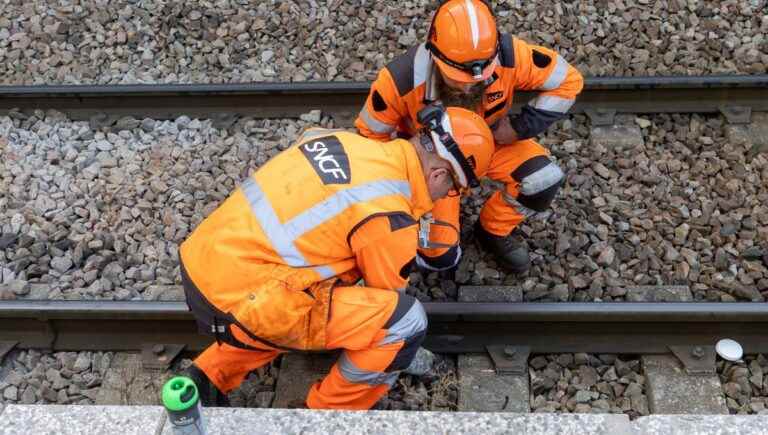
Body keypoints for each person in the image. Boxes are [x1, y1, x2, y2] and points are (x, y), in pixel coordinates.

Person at [178, 106, 495, 410]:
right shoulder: (390, 215)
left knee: (303, 286)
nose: (447, 197)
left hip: (207, 260)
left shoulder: (344, 141)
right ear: (439, 174)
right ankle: (325, 414)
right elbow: (382, 298)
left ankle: (207, 377)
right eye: (454, 190)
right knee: (403, 323)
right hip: (240, 299)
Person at [355, 0, 583, 274]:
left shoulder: (512, 56)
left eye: (477, 77)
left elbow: (568, 80)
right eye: (457, 77)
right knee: (438, 256)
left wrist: (519, 128)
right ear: (435, 55)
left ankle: (492, 231)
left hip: (490, 146)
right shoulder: (399, 79)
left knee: (543, 180)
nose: (467, 85)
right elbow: (369, 138)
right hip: (435, 165)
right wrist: (406, 185)